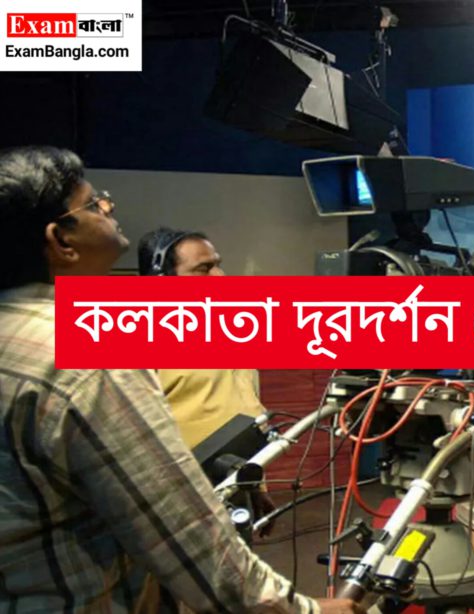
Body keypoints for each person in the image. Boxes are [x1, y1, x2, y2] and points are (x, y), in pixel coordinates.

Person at [0, 146, 359, 613]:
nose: (108, 206)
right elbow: (184, 533)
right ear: (61, 241)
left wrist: (249, 481)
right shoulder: (95, 356)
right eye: (93, 205)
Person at [137, 227, 278, 535]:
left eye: (218, 265)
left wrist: (255, 486)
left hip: (234, 488)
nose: (220, 276)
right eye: (203, 269)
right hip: (175, 501)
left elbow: (242, 411)